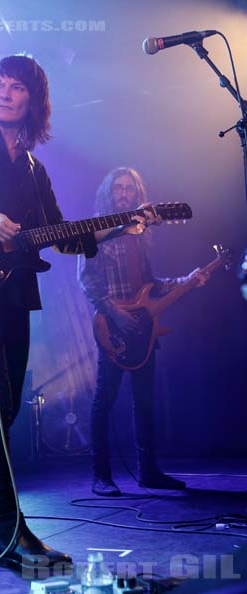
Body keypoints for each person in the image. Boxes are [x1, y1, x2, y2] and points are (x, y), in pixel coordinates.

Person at [0, 57, 151, 571]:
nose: (4, 93)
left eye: (17, 88)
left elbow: (66, 238)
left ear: (34, 102)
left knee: (4, 410)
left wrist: (123, 226)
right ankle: (11, 534)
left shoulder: (36, 170)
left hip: (13, 297)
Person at [78, 167, 208, 496]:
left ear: (137, 193)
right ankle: (101, 476)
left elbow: (152, 285)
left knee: (145, 402)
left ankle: (148, 471)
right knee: (103, 402)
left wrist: (186, 281)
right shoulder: (96, 229)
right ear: (108, 192)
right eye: (118, 188)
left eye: (129, 188)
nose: (124, 193)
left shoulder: (143, 232)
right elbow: (87, 279)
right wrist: (113, 312)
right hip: (112, 326)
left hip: (143, 326)